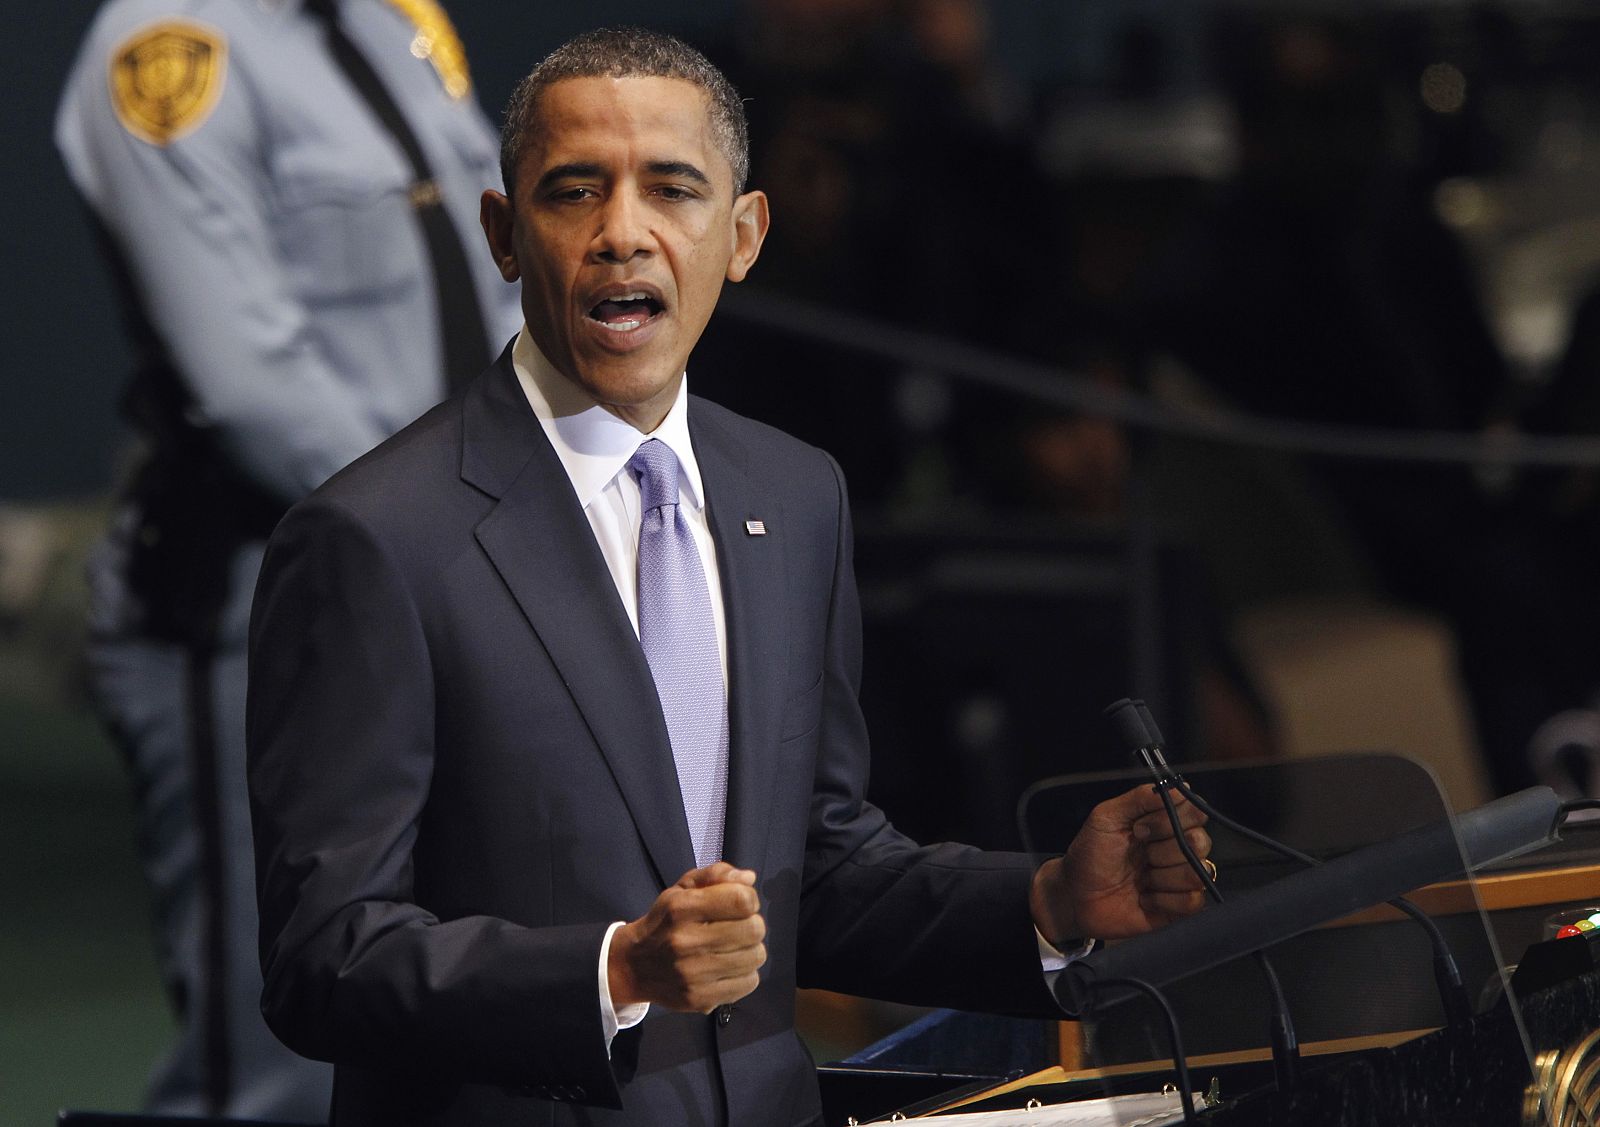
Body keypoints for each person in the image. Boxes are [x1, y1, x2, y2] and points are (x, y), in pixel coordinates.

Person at [246, 27, 1212, 1125]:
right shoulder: (373, 537)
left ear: (743, 233)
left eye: (671, 189)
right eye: (573, 192)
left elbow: (819, 867)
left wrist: (1044, 899)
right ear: (504, 236)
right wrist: (613, 972)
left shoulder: (796, 496)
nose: (623, 233)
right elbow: (321, 955)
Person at [55, 0, 522, 1118]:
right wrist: (463, 525)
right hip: (271, 598)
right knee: (276, 1070)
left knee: (453, 1028)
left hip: (458, 581)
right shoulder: (166, 49)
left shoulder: (393, 15)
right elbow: (252, 381)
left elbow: (499, 274)